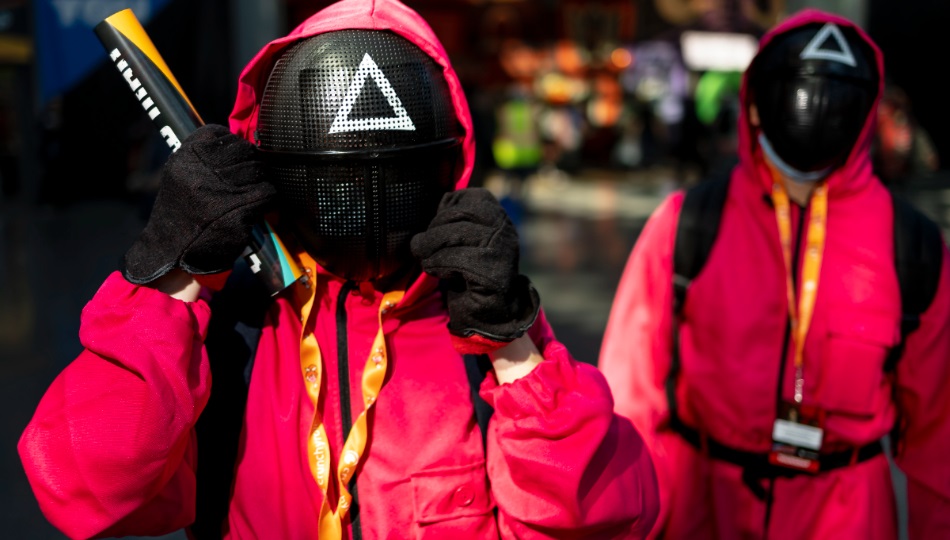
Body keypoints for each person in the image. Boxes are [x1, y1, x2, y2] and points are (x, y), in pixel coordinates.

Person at [18, 1, 660, 539]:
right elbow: (85, 488)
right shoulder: (226, 326)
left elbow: (613, 515)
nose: (362, 193)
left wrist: (514, 347)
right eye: (336, 177)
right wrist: (172, 276)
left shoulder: (477, 314)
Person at [599, 9, 950, 540]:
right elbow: (631, 394)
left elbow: (938, 438)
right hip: (703, 503)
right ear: (754, 106)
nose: (811, 111)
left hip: (846, 512)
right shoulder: (686, 223)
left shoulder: (912, 247)